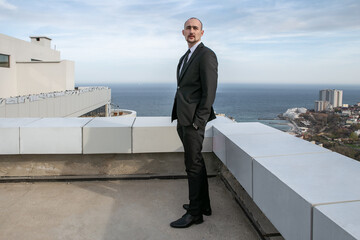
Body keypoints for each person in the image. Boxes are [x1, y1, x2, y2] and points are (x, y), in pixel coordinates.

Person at [170, 17, 218, 228]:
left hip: (193, 122)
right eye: (188, 28)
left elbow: (209, 92)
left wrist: (199, 122)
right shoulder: (185, 58)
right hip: (184, 119)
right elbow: (184, 89)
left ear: (202, 32)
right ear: (183, 33)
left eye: (195, 28)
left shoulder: (206, 55)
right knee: (196, 162)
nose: (191, 31)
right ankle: (204, 205)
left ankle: (195, 214)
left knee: (192, 165)